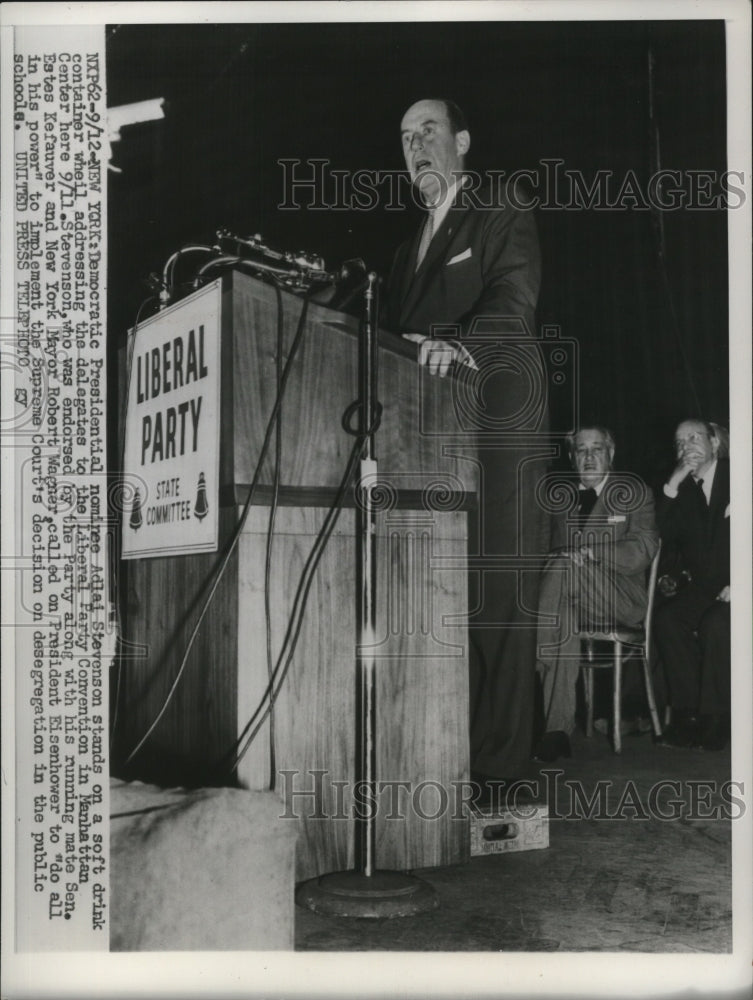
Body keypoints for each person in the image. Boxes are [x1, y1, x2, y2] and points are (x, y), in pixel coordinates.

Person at [383, 99, 549, 795]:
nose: (413, 145)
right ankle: (449, 754)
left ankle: (503, 771)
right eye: (403, 138)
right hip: (430, 442)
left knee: (498, 598)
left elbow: (512, 302)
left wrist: (456, 340)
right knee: (440, 599)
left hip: (499, 430)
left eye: (426, 131)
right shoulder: (404, 249)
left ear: (462, 141)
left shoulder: (499, 203)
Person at [534, 427, 659, 761]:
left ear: (611, 453)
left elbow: (643, 549)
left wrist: (591, 553)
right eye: (581, 450)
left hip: (620, 598)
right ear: (572, 456)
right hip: (570, 598)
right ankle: (556, 730)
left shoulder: (634, 490)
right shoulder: (557, 498)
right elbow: (542, 552)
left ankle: (530, 660)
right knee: (561, 617)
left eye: (597, 449)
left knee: (562, 568)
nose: (589, 457)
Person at [654, 419, 730, 751]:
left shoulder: (741, 475)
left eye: (695, 437)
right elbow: (662, 538)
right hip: (704, 588)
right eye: (680, 442)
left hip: (741, 584)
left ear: (715, 442)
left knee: (717, 622)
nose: (687, 446)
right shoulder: (683, 490)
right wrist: (672, 483)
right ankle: (687, 716)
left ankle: (717, 718)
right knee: (668, 619)